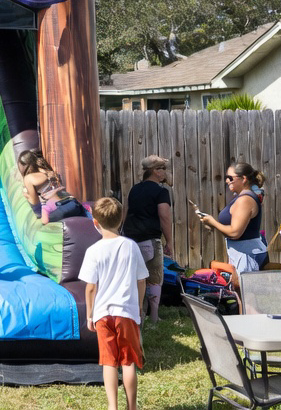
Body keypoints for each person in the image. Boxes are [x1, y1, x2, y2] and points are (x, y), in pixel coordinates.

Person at [81, 196, 148, 410]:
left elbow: (90, 287)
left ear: (95, 222)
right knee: (128, 362)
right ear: (121, 220)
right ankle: (132, 406)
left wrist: (90, 314)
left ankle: (112, 406)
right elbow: (141, 280)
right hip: (126, 311)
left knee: (109, 362)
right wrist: (138, 305)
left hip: (102, 314)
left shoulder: (93, 251)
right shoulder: (130, 246)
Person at [121, 155, 173, 325]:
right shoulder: (161, 192)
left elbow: (125, 213)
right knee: (155, 277)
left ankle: (138, 314)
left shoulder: (134, 189)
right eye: (163, 169)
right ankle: (154, 317)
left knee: (134, 278)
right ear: (155, 171)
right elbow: (164, 216)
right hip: (150, 241)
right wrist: (169, 242)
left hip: (130, 240)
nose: (165, 172)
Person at [199, 162, 268, 277]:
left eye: (230, 178)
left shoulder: (245, 200)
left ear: (243, 179)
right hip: (242, 254)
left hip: (248, 256)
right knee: (239, 292)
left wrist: (213, 223)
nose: (226, 181)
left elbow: (235, 232)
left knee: (246, 293)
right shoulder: (241, 197)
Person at [18, 148, 87, 224]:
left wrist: (27, 196)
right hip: (73, 204)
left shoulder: (28, 178)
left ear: (24, 166)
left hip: (59, 210)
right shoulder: (48, 171)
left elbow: (35, 204)